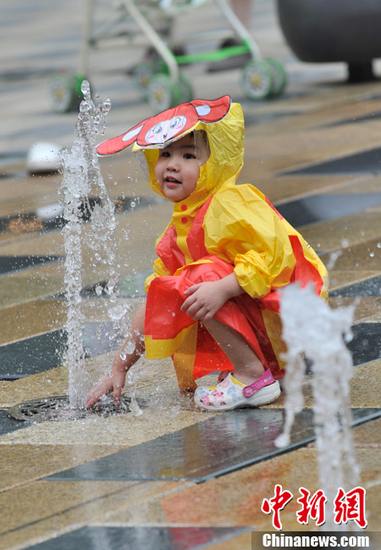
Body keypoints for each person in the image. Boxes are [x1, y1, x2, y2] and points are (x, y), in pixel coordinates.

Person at [86, 96, 328, 411]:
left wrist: (222, 287)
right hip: (269, 326)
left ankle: (251, 377)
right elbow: (156, 302)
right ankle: (260, 368)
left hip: (289, 315)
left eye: (188, 155)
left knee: (197, 280)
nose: (173, 164)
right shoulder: (177, 234)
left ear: (213, 164)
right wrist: (120, 366)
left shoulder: (228, 203)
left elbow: (272, 255)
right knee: (181, 284)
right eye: (166, 154)